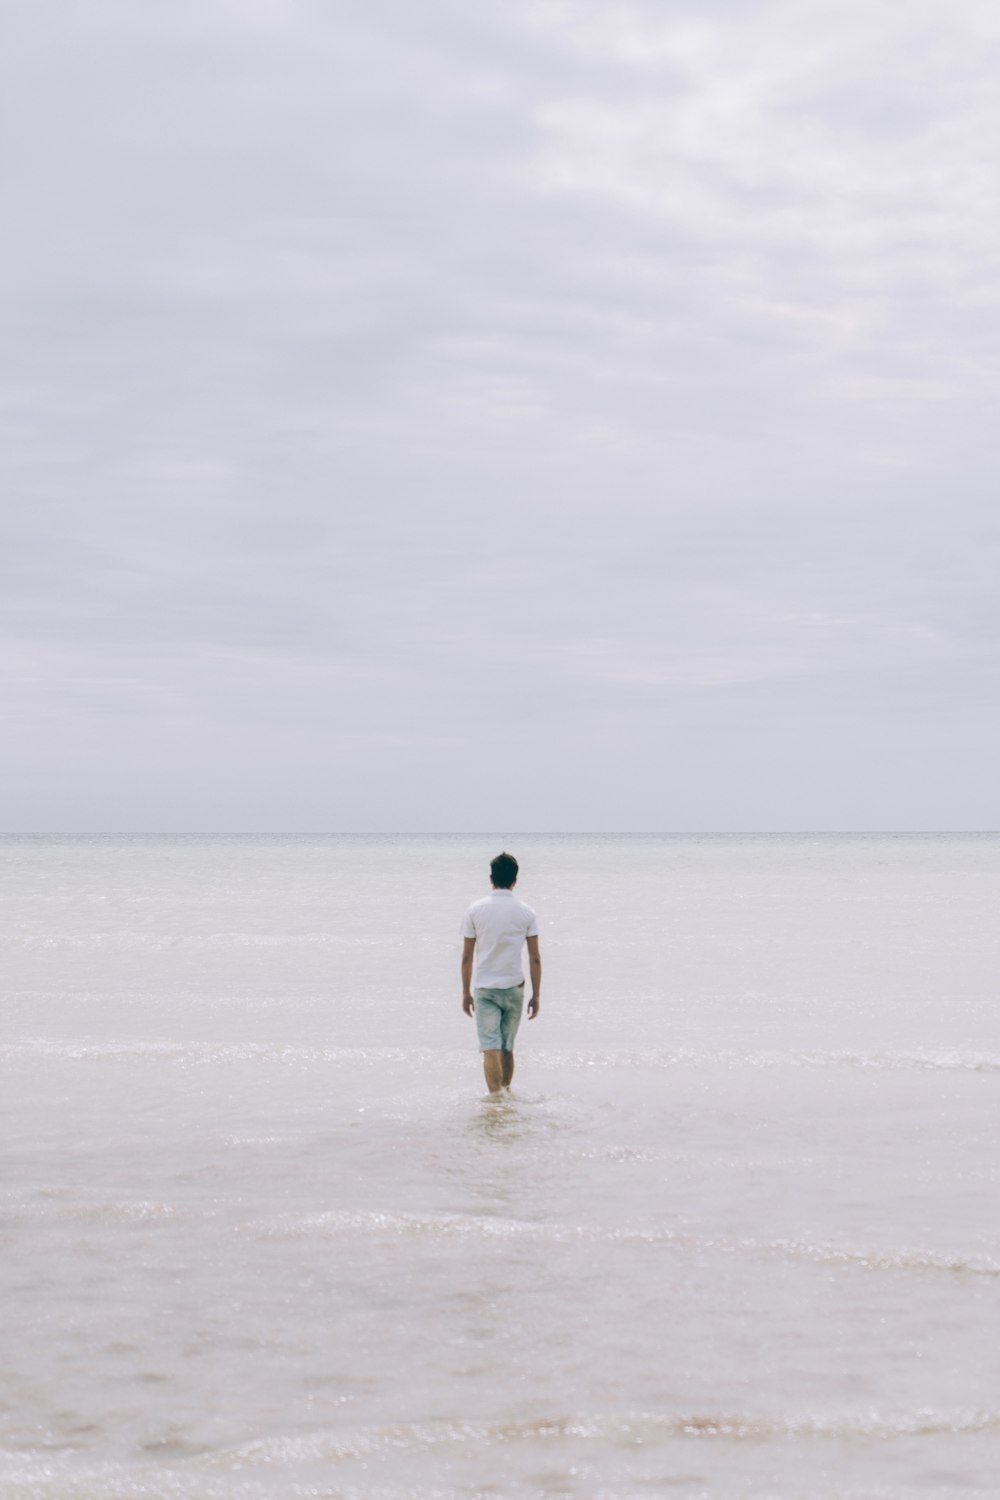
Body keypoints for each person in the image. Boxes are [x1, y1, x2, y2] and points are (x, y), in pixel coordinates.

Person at [460, 851, 541, 1094]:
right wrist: (536, 995)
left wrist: (465, 992)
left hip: (485, 988)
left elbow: (466, 956)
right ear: (515, 880)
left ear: (490, 878)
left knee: (489, 1047)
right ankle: (506, 1095)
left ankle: (496, 1102)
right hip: (514, 988)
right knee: (507, 1047)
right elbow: (535, 957)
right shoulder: (526, 912)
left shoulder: (475, 910)